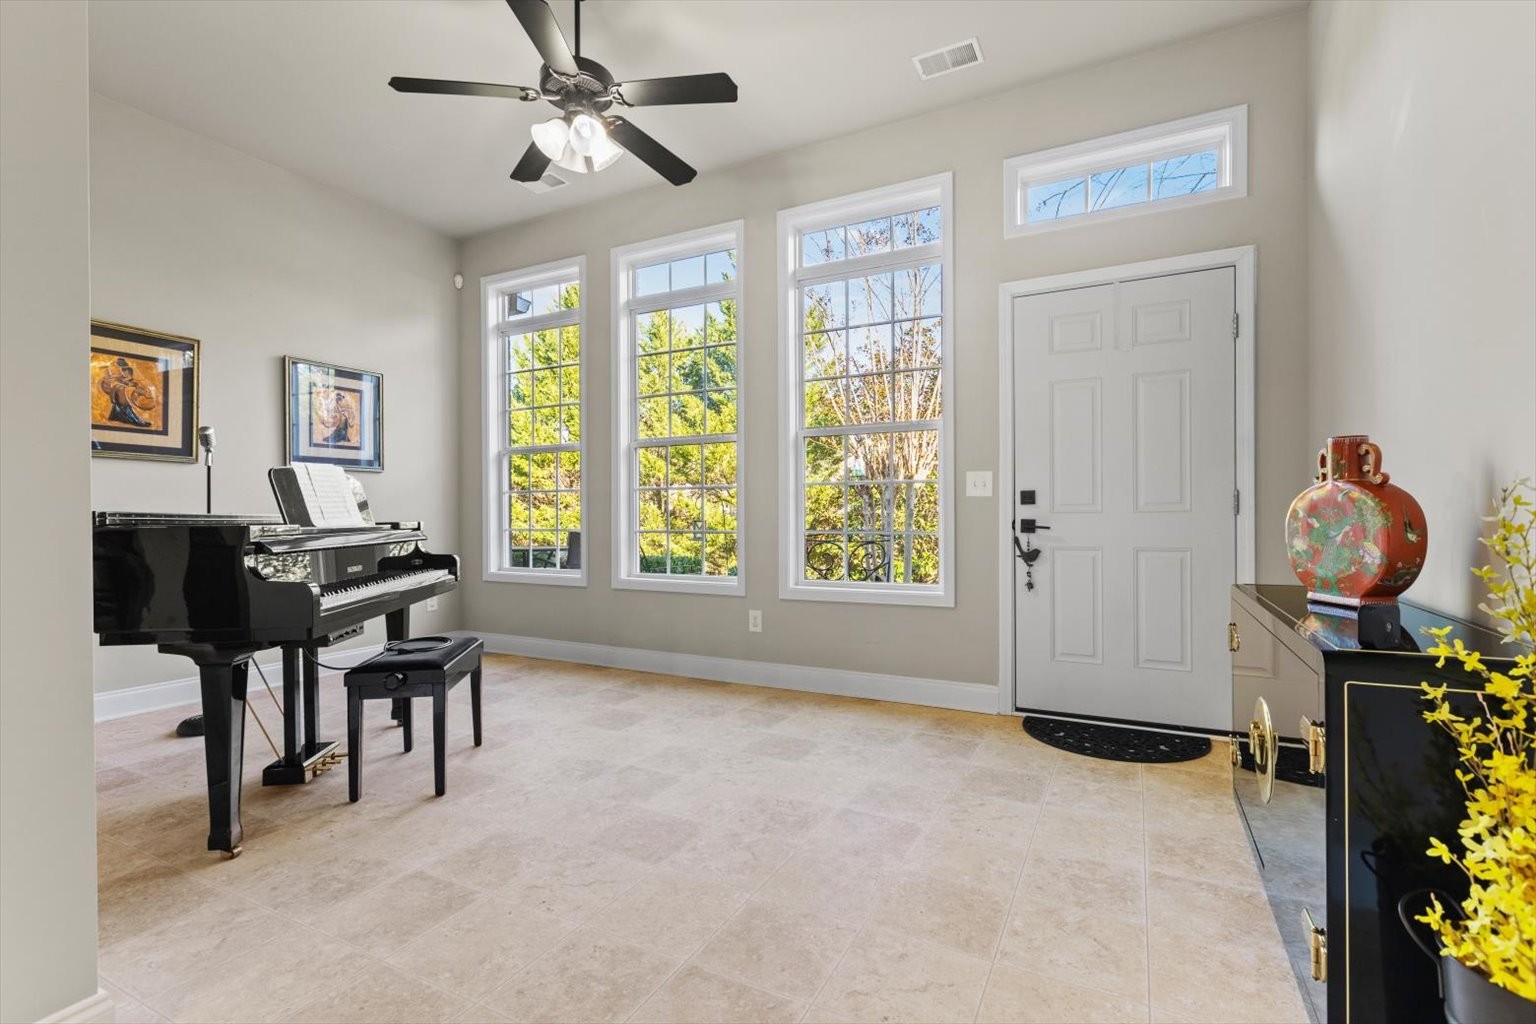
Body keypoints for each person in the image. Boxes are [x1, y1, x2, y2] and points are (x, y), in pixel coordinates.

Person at [99, 357, 155, 428]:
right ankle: (118, 416)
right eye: (122, 372)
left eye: (124, 372)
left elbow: (132, 383)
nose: (122, 373)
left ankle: (128, 418)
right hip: (120, 400)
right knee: (118, 388)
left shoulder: (130, 379)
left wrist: (123, 382)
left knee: (120, 389)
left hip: (127, 398)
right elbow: (115, 380)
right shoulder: (120, 379)